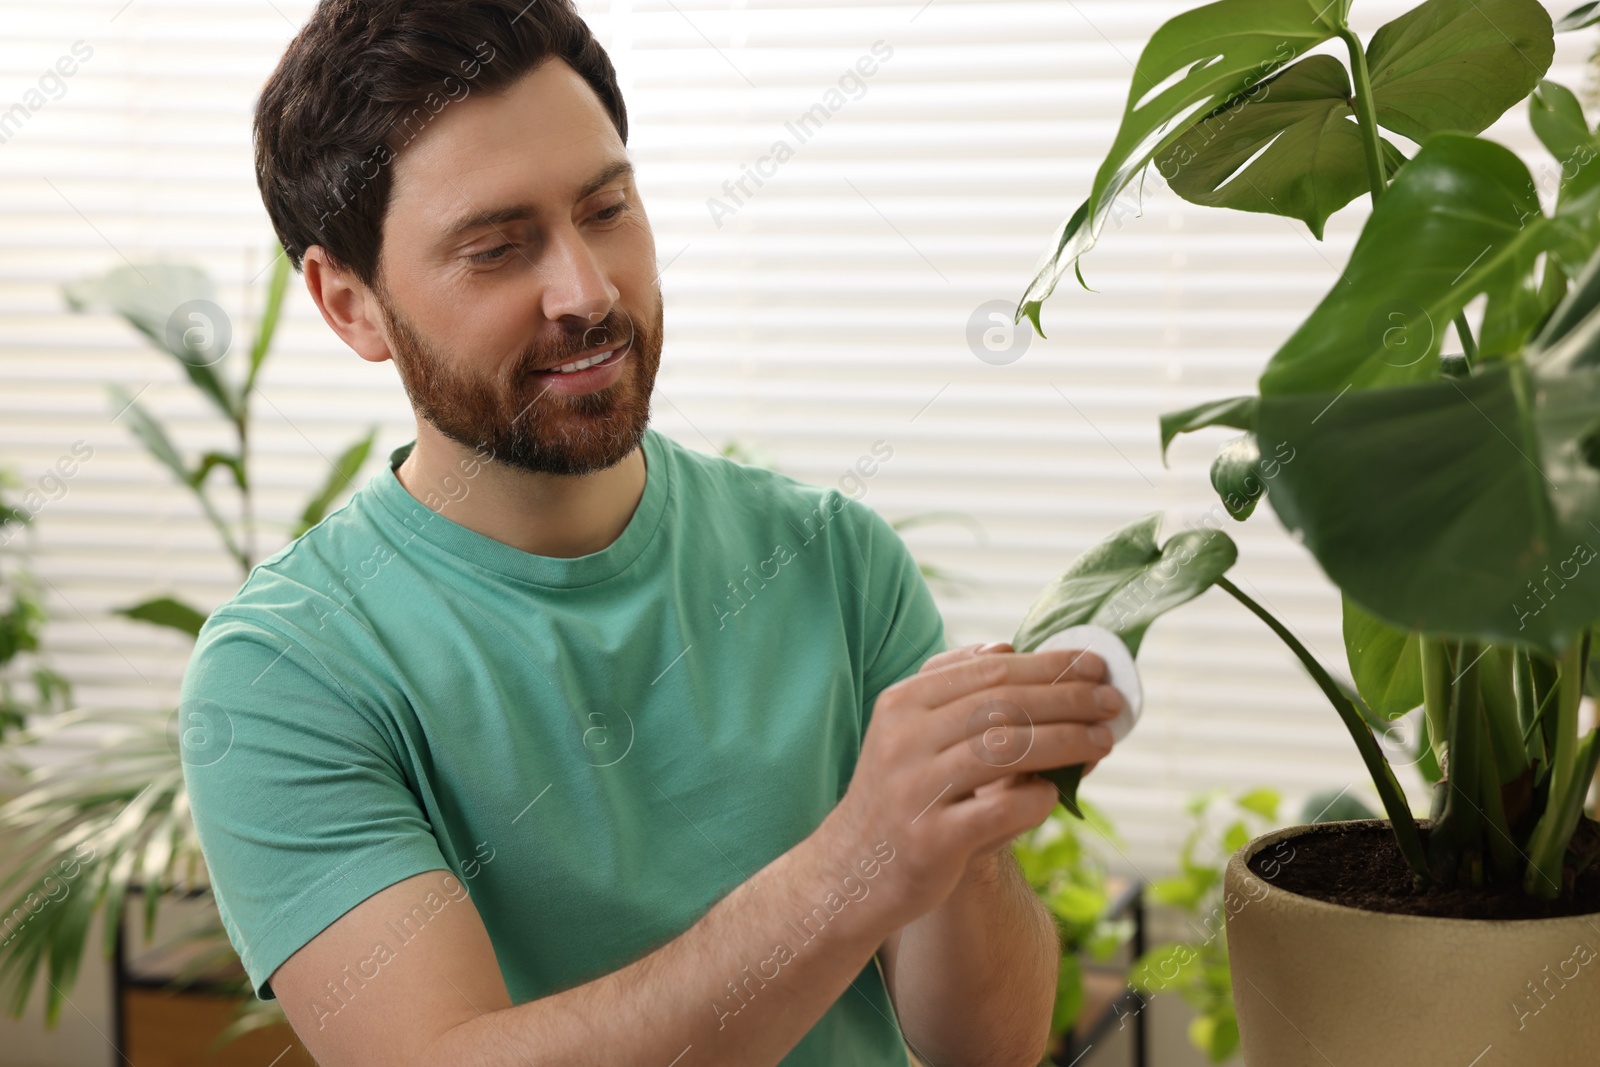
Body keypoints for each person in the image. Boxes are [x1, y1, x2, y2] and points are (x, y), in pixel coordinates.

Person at [180, 2, 1123, 1064]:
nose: (585, 291)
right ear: (349, 304)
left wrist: (958, 818)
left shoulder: (834, 557)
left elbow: (981, 1047)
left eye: (607, 207)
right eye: (496, 248)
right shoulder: (285, 671)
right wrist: (853, 862)